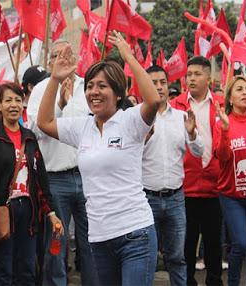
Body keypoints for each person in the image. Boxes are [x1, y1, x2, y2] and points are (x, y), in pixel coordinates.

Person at [37, 31, 160, 286]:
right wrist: (55, 79)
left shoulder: (131, 121)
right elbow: (44, 122)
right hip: (100, 238)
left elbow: (154, 100)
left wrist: (128, 57)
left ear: (117, 93)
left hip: (135, 234)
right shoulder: (82, 127)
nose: (94, 91)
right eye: (90, 85)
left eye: (102, 86)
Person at [0, 82, 63, 285]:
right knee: (4, 269)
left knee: (27, 268)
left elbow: (40, 178)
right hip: (3, 210)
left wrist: (49, 212)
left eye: (17, 100)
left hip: (29, 210)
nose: (13, 105)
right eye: (8, 100)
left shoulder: (29, 137)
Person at [27, 39, 98, 286]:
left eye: (66, 54)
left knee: (91, 241)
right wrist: (59, 104)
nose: (62, 59)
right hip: (55, 180)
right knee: (56, 244)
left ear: (75, 58)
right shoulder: (41, 89)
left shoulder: (89, 88)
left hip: (88, 178)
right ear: (49, 62)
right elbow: (35, 129)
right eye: (56, 55)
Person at [143, 65, 204, 285]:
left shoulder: (181, 117)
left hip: (176, 199)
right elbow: (127, 157)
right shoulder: (137, 117)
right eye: (153, 82)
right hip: (145, 199)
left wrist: (192, 133)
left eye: (162, 82)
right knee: (146, 258)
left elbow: (198, 152)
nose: (159, 87)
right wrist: (144, 136)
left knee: (177, 258)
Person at [171, 56, 224, 286]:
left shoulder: (221, 104)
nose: (191, 78)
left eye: (197, 74)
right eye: (189, 74)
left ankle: (214, 281)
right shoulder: (177, 105)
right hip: (186, 187)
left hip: (216, 185)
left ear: (209, 78)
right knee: (187, 244)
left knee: (214, 243)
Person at [214, 76, 246, 286]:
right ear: (230, 98)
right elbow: (223, 157)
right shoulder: (222, 124)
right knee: (241, 244)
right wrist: (226, 130)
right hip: (231, 196)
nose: (245, 92)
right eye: (239, 89)